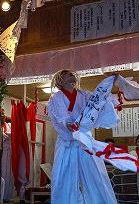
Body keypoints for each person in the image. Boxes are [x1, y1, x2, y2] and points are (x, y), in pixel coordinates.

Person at [47, 69, 117, 204]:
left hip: (84, 140)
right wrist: (67, 123)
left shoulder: (84, 94)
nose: (72, 75)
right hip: (67, 141)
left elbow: (99, 100)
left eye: (72, 73)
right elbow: (61, 115)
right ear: (60, 80)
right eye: (67, 74)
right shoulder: (56, 97)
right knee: (64, 178)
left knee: (96, 175)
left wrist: (110, 89)